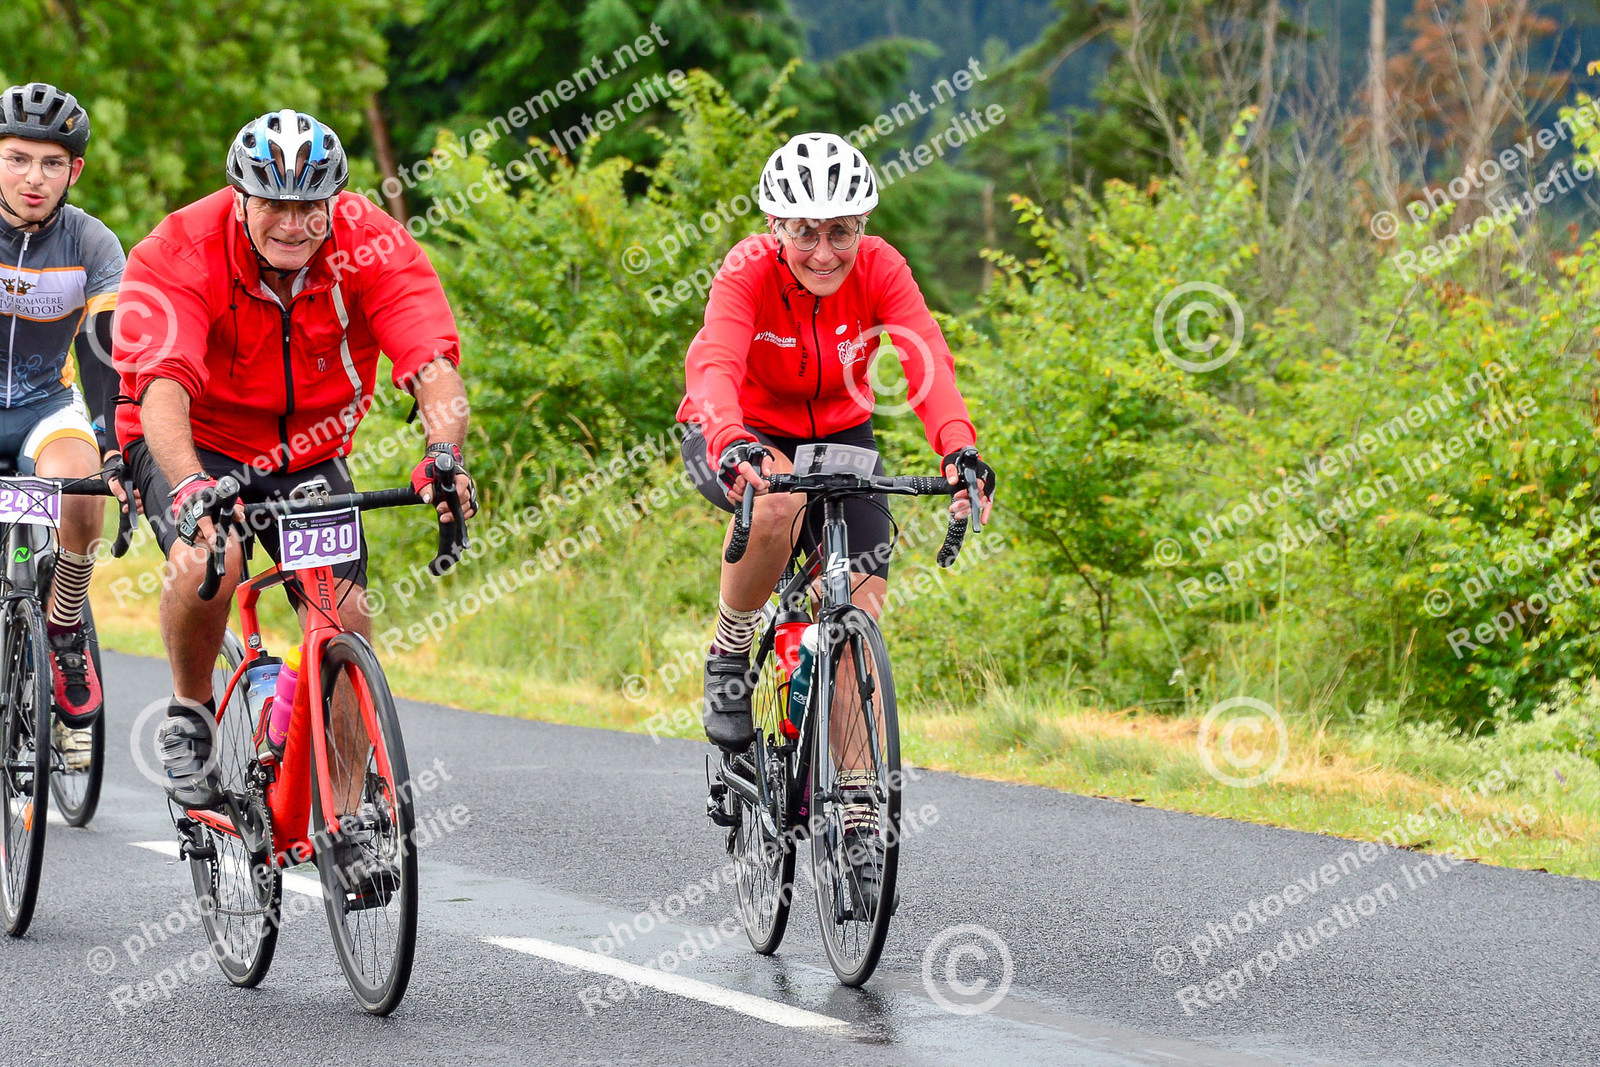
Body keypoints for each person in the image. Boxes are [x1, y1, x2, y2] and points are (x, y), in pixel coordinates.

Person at [113, 110, 476, 811]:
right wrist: (189, 485)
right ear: (239, 198)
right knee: (210, 557)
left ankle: (349, 820)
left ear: (335, 200)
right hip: (193, 438)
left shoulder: (369, 241)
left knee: (346, 616)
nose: (291, 223)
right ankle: (189, 713)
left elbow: (432, 364)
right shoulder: (181, 249)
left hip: (309, 451)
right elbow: (162, 387)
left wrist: (443, 455)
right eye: (272, 204)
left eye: (310, 206)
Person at [676, 132, 995, 896]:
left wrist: (958, 448)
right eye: (806, 232)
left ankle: (855, 811)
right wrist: (729, 438)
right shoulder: (747, 270)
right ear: (776, 226)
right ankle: (731, 648)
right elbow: (715, 363)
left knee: (857, 611)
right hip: (738, 430)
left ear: (863, 227)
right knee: (777, 503)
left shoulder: (882, 267)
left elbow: (926, 360)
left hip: (841, 436)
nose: (825, 252)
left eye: (842, 231)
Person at [0, 83, 131, 767]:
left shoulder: (92, 242)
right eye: (17, 159)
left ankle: (64, 625)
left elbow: (105, 352)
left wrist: (114, 450)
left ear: (74, 170)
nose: (34, 177)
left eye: (51, 163)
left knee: (81, 490)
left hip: (44, 406)